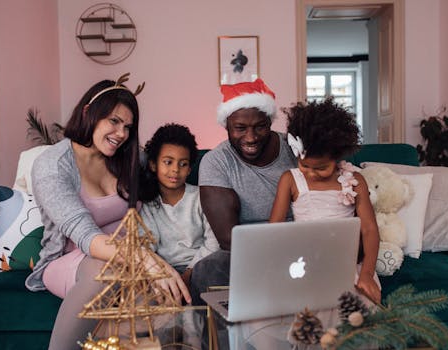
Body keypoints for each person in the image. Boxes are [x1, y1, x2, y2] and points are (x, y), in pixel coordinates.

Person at [25, 74, 185, 350]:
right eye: (113, 121)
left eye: (127, 126)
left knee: (167, 311)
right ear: (88, 112)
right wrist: (146, 259)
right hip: (74, 261)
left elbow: (173, 167)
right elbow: (87, 238)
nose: (121, 134)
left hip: (128, 262)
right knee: (106, 271)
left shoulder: (130, 158)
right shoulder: (52, 166)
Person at [190, 79, 297, 305]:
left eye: (260, 126)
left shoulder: (294, 147)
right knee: (208, 270)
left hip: (300, 240)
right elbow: (229, 239)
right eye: (240, 128)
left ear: (270, 122)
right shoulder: (216, 162)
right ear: (226, 125)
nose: (251, 138)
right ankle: (223, 340)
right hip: (244, 251)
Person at [269, 97, 381, 304]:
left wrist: (366, 274)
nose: (311, 174)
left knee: (356, 316)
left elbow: (370, 230)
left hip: (347, 266)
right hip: (303, 264)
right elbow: (274, 230)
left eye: (320, 168)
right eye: (305, 166)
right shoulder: (290, 180)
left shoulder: (356, 181)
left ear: (336, 157)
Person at [138, 123, 220, 301]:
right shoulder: (148, 205)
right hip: (161, 271)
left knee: (210, 272)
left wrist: (188, 275)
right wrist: (165, 276)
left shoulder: (200, 197)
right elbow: (146, 247)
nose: (175, 170)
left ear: (190, 169)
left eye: (183, 164)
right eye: (168, 162)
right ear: (153, 164)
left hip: (199, 267)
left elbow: (213, 241)